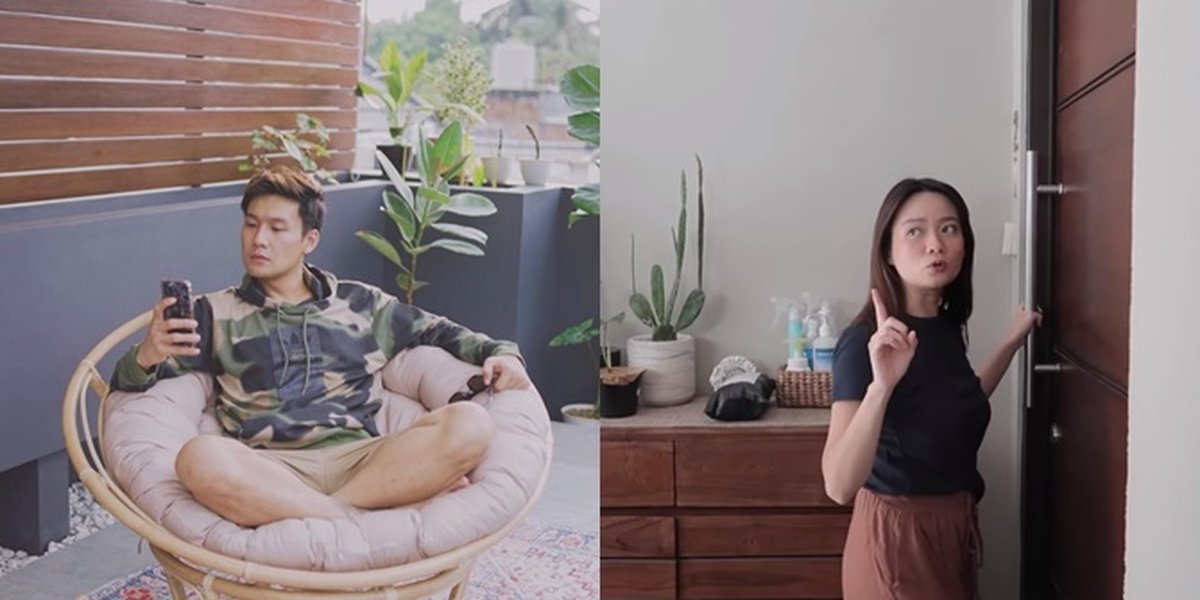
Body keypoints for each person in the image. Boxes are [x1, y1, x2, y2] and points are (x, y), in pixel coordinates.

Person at [110, 166, 531, 527]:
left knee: (472, 423)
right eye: (251, 224)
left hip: (367, 458)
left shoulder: (361, 303)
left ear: (309, 240)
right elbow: (129, 387)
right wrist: (147, 352)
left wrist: (503, 352)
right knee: (197, 459)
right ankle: (354, 522)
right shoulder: (212, 312)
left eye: (277, 229)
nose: (259, 240)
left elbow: (440, 331)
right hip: (268, 469)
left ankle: (332, 512)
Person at [821, 178, 1041, 599]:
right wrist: (881, 387)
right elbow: (838, 484)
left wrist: (1011, 343)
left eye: (949, 228)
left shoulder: (945, 327)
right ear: (887, 249)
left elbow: (958, 403)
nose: (935, 244)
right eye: (915, 230)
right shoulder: (865, 342)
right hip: (897, 538)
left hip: (952, 530)